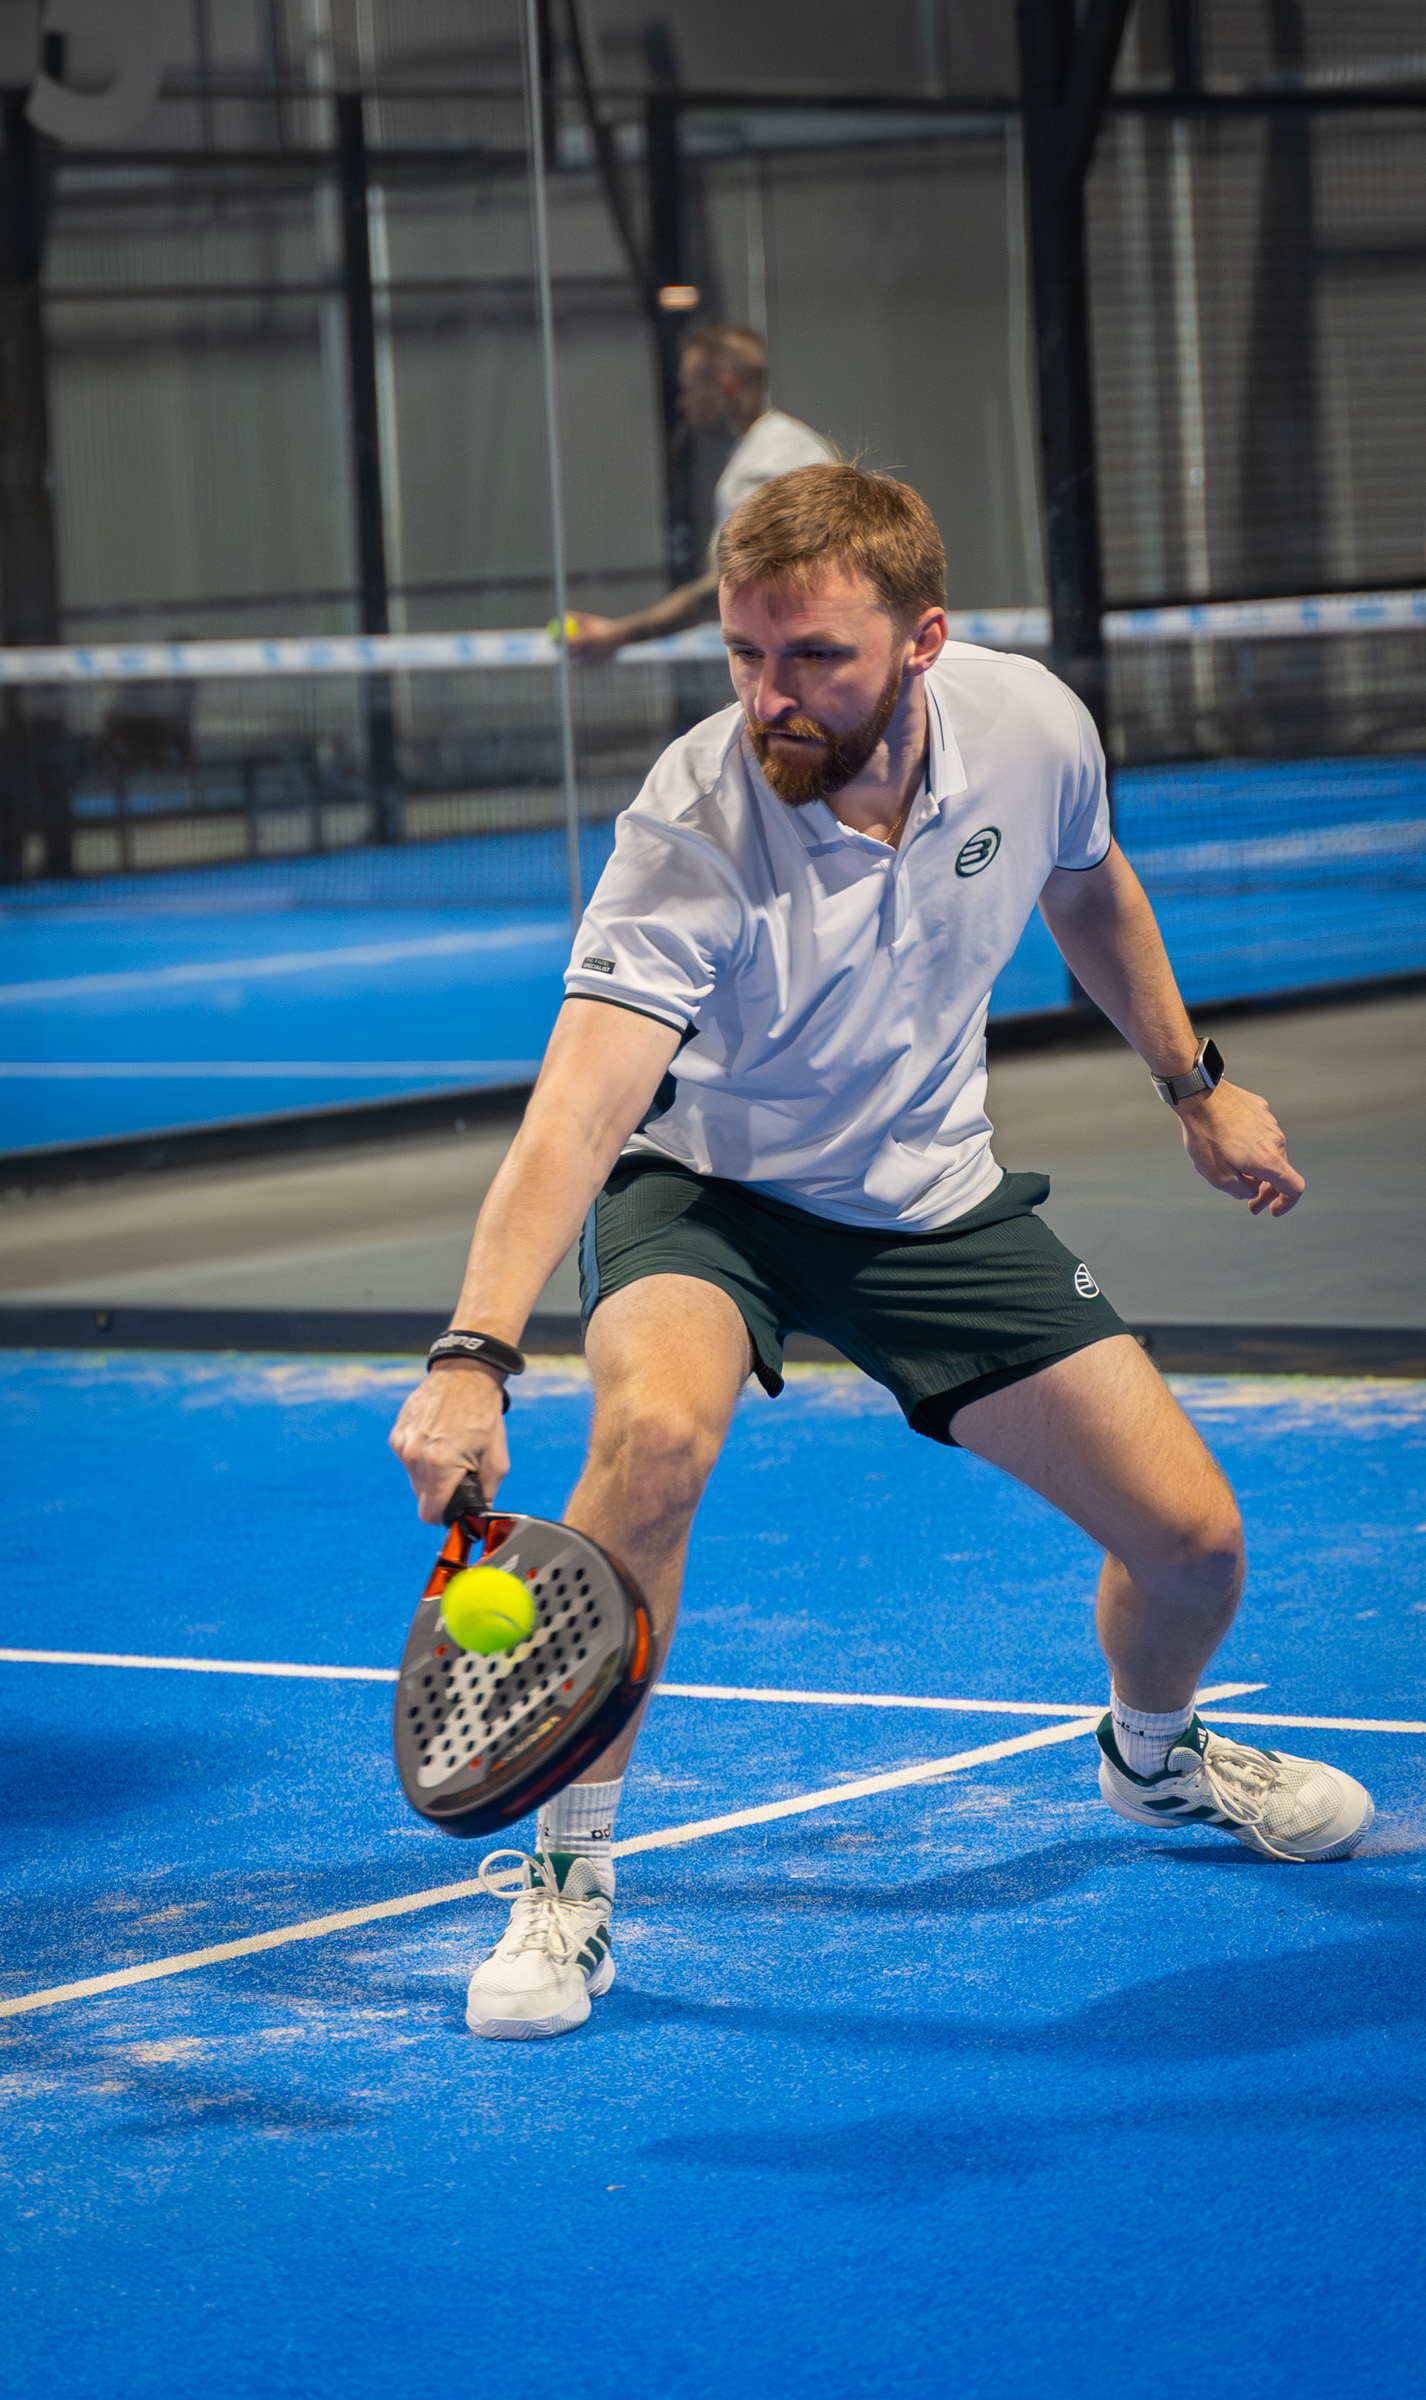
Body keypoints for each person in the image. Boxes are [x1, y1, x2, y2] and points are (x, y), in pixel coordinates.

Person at [390, 463, 1375, 2042]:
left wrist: (1193, 1087)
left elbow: (1089, 884)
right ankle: (565, 1875)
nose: (769, 695)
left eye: (813, 658)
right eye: (742, 655)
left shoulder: (1032, 728)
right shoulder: (694, 821)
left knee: (1195, 1550)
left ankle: (1152, 1753)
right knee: (649, 1438)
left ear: (921, 641)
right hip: (708, 1187)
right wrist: (471, 1353)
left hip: (927, 1200)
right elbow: (578, 1109)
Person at [565, 323, 836, 661]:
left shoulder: (766, 465)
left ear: (726, 385)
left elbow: (735, 583)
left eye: (689, 388)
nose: (683, 402)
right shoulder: (788, 447)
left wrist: (621, 633)